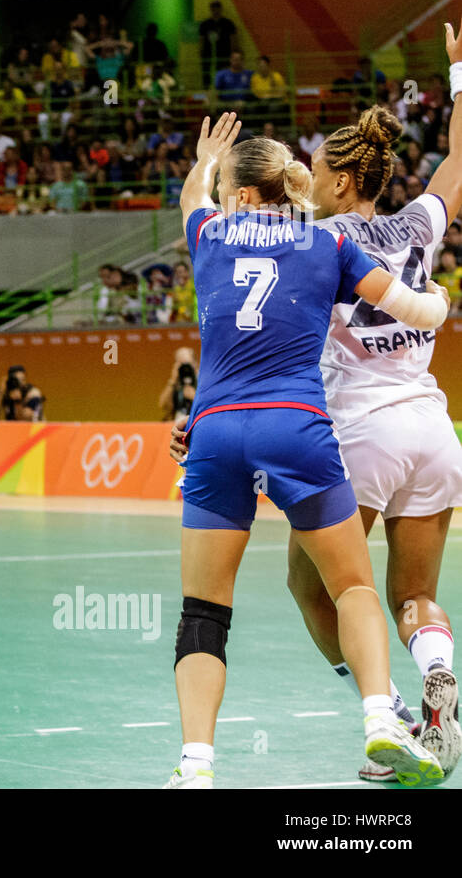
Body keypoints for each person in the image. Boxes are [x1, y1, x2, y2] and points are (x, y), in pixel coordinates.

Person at [164, 112, 450, 789]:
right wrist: (437, 300)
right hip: (297, 429)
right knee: (351, 585)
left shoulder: (208, 233)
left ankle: (195, 766)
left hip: (216, 433)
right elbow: (410, 309)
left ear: (236, 194)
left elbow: (188, 199)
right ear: (289, 185)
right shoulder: (326, 244)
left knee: (204, 611)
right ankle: (384, 719)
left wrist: (205, 161)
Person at [281, 92, 462, 780]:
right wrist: (458, 72)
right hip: (434, 431)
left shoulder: (319, 243)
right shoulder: (418, 224)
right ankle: (438, 674)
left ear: (344, 181)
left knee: (310, 583)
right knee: (411, 596)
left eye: (317, 169)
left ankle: (393, 718)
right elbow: (460, 159)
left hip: (361, 435)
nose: (309, 177)